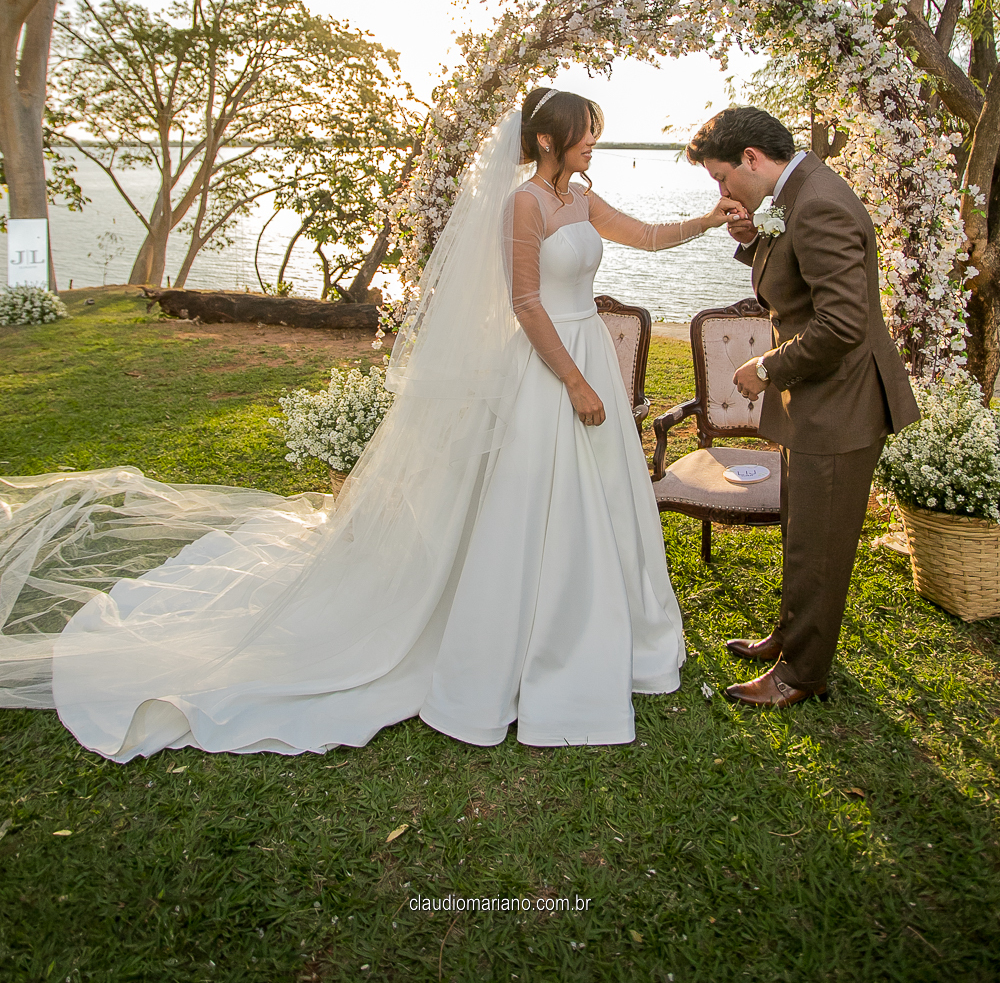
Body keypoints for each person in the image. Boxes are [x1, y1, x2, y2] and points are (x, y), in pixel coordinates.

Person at [0, 89, 741, 759]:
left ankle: (601, 626)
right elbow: (523, 303)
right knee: (528, 503)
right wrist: (575, 380)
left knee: (598, 497)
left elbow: (646, 236)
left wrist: (708, 221)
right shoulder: (524, 206)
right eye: (585, 133)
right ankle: (516, 642)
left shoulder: (580, 197)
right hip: (551, 366)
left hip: (586, 349)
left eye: (596, 133)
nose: (593, 143)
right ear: (548, 139)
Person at [686, 106, 920, 710]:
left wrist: (766, 369)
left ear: (751, 159)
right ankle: (790, 638)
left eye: (722, 178)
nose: (722, 193)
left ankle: (802, 672)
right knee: (803, 533)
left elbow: (841, 323)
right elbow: (798, 276)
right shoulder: (800, 193)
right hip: (819, 401)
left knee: (819, 547)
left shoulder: (816, 203)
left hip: (841, 405)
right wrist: (752, 241)